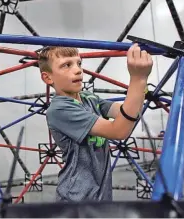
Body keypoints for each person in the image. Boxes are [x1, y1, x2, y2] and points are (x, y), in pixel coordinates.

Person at [38, 43, 153, 202]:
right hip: (76, 197)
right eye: (66, 65)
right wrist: (137, 79)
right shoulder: (59, 110)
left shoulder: (88, 97)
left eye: (79, 63)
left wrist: (142, 85)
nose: (78, 69)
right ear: (48, 77)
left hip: (101, 193)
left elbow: (125, 112)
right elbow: (119, 131)